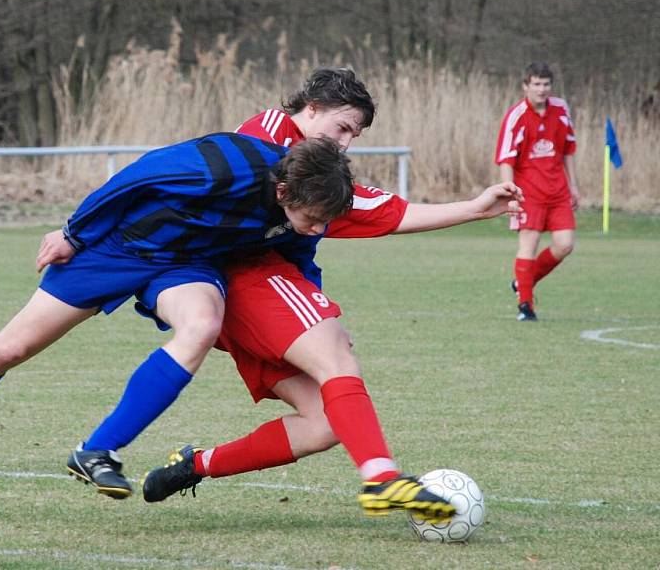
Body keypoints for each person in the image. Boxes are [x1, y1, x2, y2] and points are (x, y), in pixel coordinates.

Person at [0, 133, 355, 504]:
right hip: (116, 249)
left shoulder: (299, 217)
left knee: (201, 326)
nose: (318, 228)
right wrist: (74, 233)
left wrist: (312, 319)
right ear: (286, 188)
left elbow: (299, 266)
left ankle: (98, 451)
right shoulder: (229, 165)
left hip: (185, 267)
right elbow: (140, 175)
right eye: (314, 218)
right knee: (7, 350)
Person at [142, 68, 523, 521]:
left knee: (323, 423)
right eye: (342, 127)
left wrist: (473, 209)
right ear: (312, 108)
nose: (345, 142)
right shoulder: (268, 135)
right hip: (247, 278)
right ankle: (382, 479)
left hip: (247, 293)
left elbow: (378, 209)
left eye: (354, 135)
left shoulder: (312, 171)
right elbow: (266, 175)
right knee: (335, 352)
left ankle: (195, 465)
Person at [496, 61, 579, 321]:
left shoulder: (561, 109)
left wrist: (574, 184)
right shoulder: (516, 116)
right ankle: (526, 306)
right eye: (536, 84)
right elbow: (505, 158)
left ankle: (523, 281)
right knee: (528, 246)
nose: (542, 89)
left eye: (546, 84)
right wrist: (510, 193)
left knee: (565, 245)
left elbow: (568, 150)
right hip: (528, 193)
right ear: (526, 86)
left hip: (558, 192)